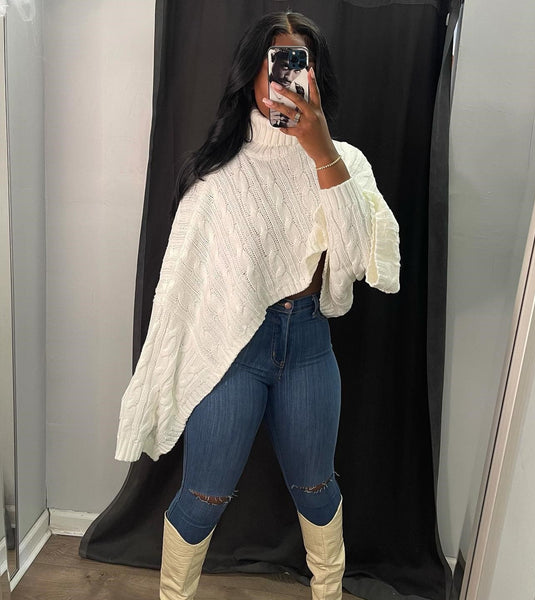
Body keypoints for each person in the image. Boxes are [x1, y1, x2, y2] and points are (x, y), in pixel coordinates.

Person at [114, 11, 400, 600]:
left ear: (314, 76)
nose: (284, 80)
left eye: (298, 65)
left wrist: (321, 151)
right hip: (233, 350)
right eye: (276, 65)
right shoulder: (218, 175)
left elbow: (355, 260)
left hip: (310, 344)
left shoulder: (346, 161)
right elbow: (181, 292)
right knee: (204, 494)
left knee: (317, 488)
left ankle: (328, 593)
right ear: (251, 74)